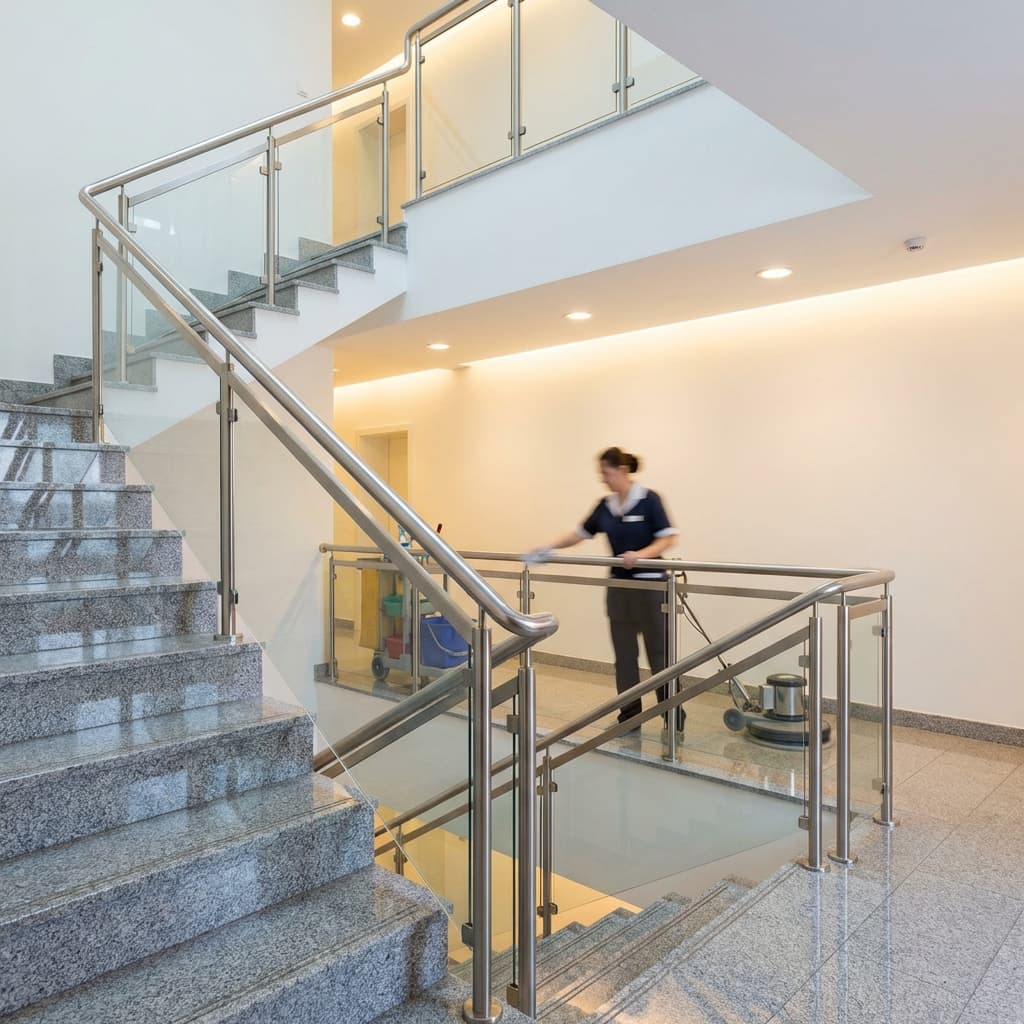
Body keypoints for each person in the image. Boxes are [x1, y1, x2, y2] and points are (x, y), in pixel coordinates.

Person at [528, 447, 685, 739]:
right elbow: (579, 534)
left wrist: (641, 556)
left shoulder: (649, 500)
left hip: (651, 587)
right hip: (619, 588)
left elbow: (669, 538)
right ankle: (629, 716)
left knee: (659, 656)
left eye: (607, 473)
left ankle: (672, 715)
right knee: (624, 656)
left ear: (623, 471)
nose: (604, 479)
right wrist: (547, 548)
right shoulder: (605, 505)